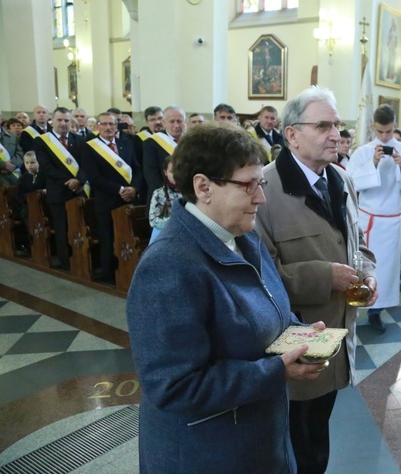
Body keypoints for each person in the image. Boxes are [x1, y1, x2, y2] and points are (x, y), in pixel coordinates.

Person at [127, 122, 327, 472]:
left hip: (259, 437)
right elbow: (174, 386)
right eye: (248, 184)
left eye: (260, 183)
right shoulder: (169, 265)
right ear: (203, 187)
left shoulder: (244, 237)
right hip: (207, 453)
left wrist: (299, 334)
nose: (261, 197)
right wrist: (275, 371)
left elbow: (266, 309)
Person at [256, 86, 378, 473]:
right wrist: (326, 276)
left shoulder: (342, 179)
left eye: (337, 125)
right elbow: (258, 274)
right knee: (292, 444)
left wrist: (368, 275)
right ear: (292, 134)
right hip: (294, 342)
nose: (335, 134)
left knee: (318, 437)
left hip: (336, 335)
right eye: (323, 125)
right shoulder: (264, 187)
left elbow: (358, 243)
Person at [347, 104, 401, 333]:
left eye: (388, 132)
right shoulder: (363, 152)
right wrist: (374, 164)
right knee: (361, 266)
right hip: (368, 218)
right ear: (373, 128)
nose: (385, 137)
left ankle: (376, 311)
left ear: (395, 126)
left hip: (391, 220)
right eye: (380, 132)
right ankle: (353, 307)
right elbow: (350, 182)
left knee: (386, 269)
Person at [81, 112, 145, 282]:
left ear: (117, 126)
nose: (108, 127)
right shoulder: (89, 147)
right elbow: (94, 178)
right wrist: (120, 189)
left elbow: (138, 169)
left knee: (128, 238)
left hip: (130, 199)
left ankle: (130, 272)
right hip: (107, 201)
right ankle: (110, 275)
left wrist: (134, 188)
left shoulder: (126, 143)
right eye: (104, 124)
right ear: (97, 127)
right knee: (109, 239)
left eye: (112, 124)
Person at [33, 107, 85, 270]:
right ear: (52, 121)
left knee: (79, 227)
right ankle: (65, 262)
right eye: (59, 120)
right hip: (57, 191)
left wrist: (79, 180)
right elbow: (46, 167)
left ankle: (81, 259)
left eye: (66, 120)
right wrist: (69, 181)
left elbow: (86, 164)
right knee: (62, 229)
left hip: (78, 191)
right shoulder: (42, 141)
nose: (63, 124)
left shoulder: (78, 140)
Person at [142, 105, 185, 209]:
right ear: (164, 123)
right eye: (172, 121)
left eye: (179, 121)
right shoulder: (152, 142)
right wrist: (165, 197)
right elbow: (152, 174)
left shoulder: (192, 141)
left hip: (189, 197)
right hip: (164, 199)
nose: (176, 125)